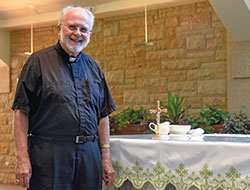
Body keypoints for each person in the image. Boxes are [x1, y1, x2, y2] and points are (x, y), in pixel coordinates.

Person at [12, 6, 117, 190]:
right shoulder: (37, 63)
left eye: (83, 29)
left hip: (89, 155)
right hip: (49, 155)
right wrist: (22, 158)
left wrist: (105, 157)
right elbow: (21, 112)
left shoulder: (94, 67)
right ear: (59, 29)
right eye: (72, 27)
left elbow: (103, 115)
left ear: (89, 34)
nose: (77, 33)